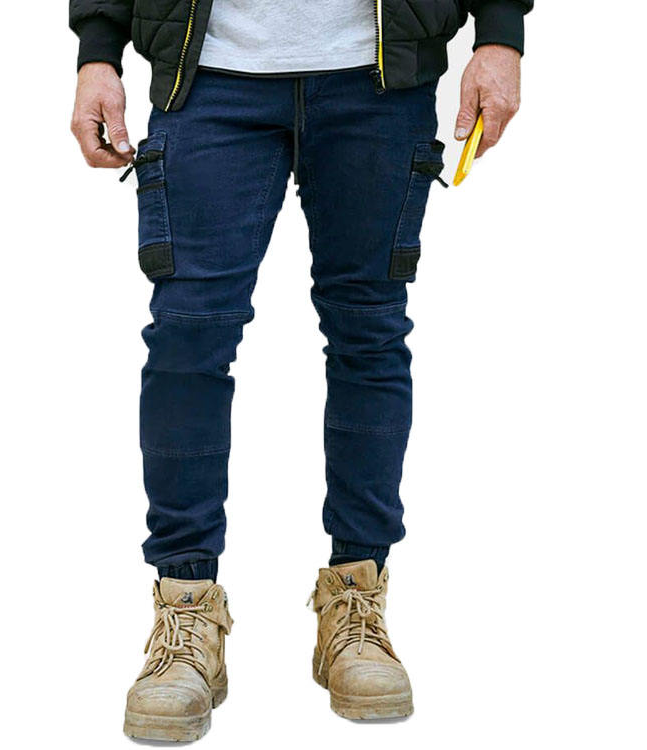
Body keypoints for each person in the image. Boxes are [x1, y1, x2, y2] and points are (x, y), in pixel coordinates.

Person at [69, 0, 533, 740]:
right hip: (208, 74)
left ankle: (356, 601)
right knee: (187, 339)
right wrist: (98, 51)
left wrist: (501, 34)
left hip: (379, 78)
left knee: (369, 335)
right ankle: (186, 613)